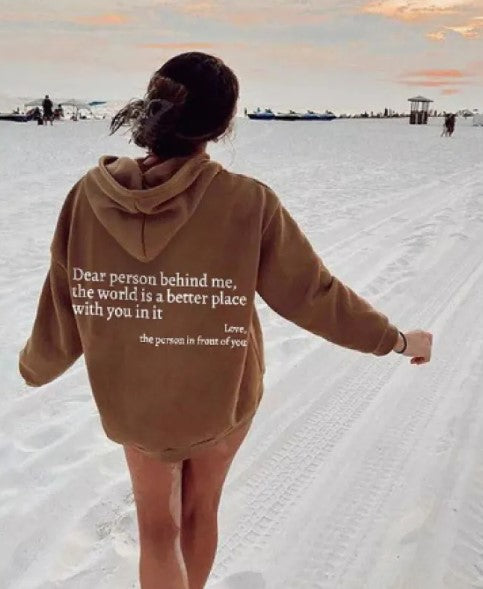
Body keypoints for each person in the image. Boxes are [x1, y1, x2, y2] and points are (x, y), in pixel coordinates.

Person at [18, 52, 432, 589]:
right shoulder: (247, 201)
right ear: (221, 125)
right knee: (199, 511)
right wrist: (397, 341)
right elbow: (313, 295)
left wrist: (36, 365)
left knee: (156, 531)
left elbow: (63, 298)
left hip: (132, 402)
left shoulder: (87, 198)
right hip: (221, 395)